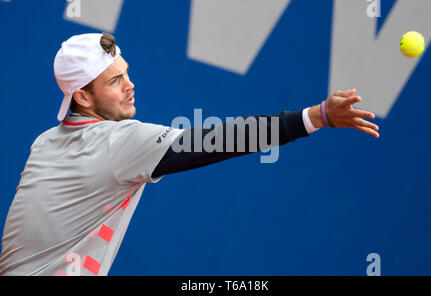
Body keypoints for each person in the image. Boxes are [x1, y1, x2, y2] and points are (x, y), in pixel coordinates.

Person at [0, 33, 380, 276]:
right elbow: (218, 139)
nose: (130, 86)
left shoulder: (45, 142)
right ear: (82, 97)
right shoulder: (118, 142)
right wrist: (316, 117)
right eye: (115, 81)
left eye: (126, 72)